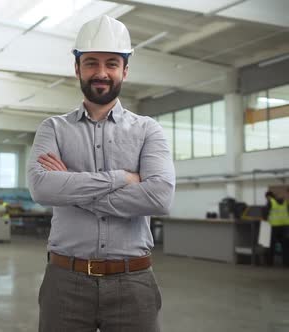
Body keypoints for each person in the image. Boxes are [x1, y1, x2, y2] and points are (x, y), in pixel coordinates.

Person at [28, 15, 175, 332]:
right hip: (64, 281)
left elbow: (160, 197)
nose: (101, 73)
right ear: (77, 68)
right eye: (91, 63)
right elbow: (41, 188)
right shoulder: (52, 129)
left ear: (125, 70)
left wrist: (71, 188)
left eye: (111, 63)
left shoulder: (148, 130)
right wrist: (121, 178)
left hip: (133, 282)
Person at [263, 191, 289, 266]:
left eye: (266, 198)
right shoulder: (285, 202)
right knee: (285, 245)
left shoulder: (270, 202)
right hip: (285, 226)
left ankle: (270, 263)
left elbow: (265, 213)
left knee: (271, 245)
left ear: (269, 196)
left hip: (274, 226)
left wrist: (265, 218)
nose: (266, 199)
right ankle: (286, 263)